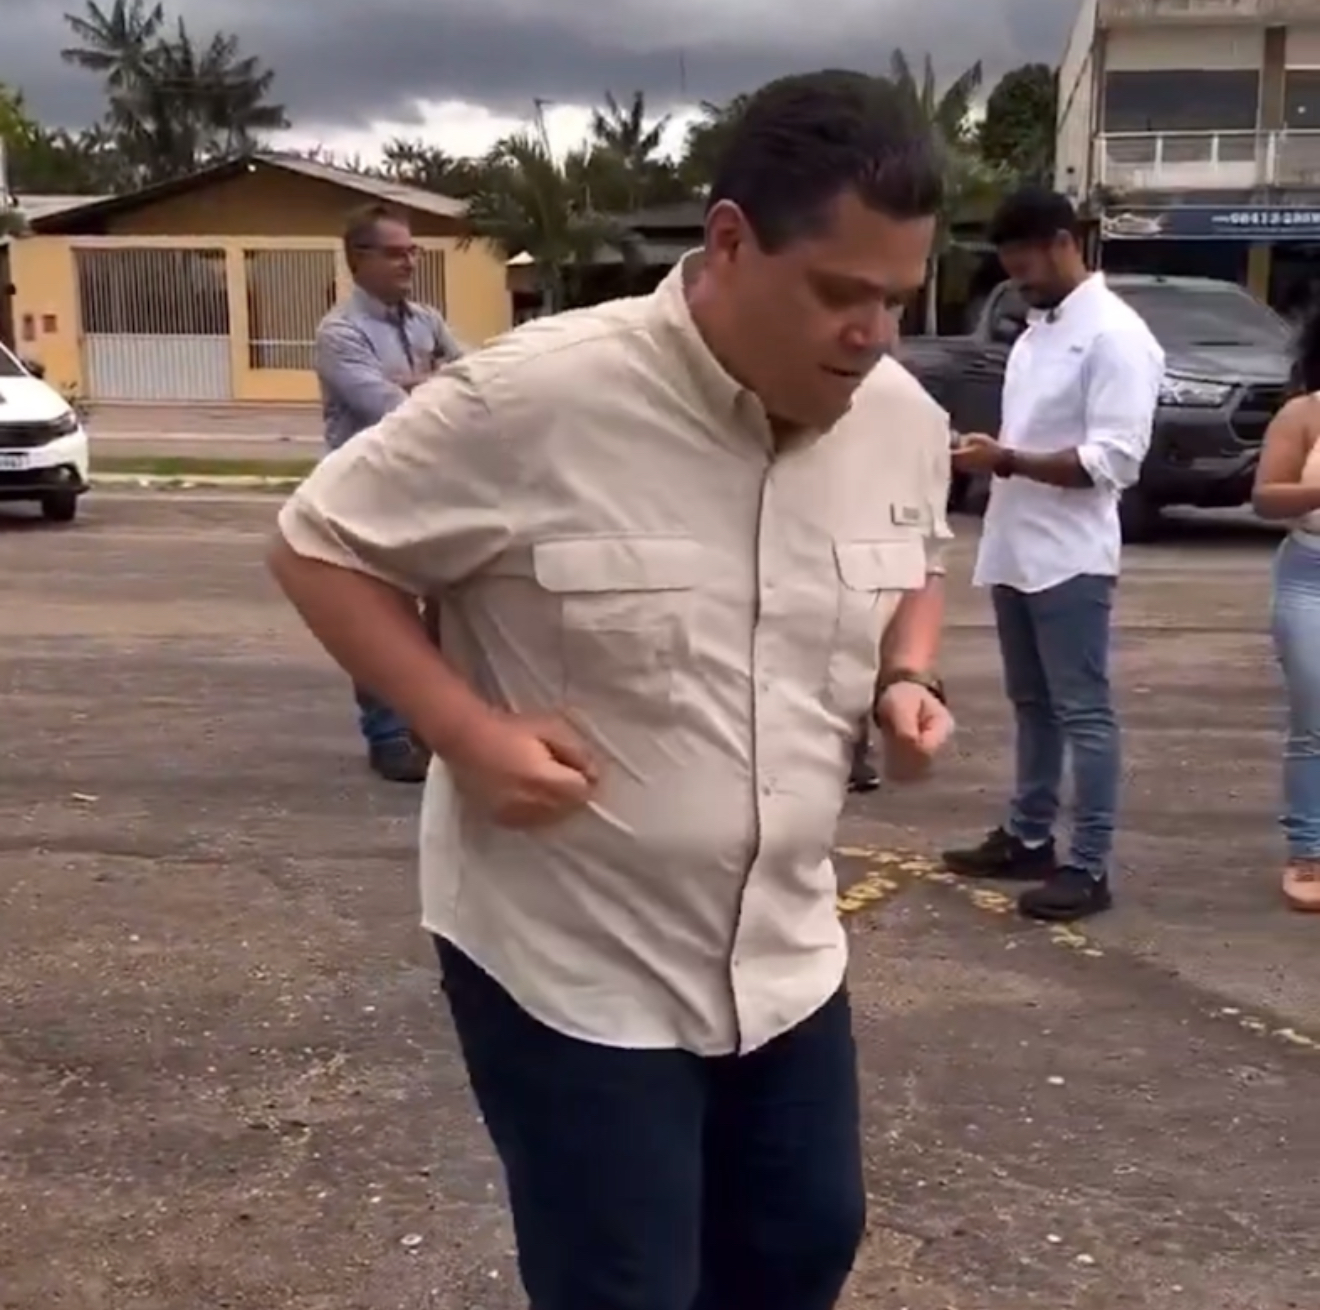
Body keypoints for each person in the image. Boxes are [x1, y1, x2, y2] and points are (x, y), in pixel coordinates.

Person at [269, 70, 955, 1310]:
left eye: (896, 301)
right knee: (627, 1281)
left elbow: (919, 560)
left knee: (802, 1245)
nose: (872, 335)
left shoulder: (897, 415)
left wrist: (908, 671)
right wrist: (464, 730)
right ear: (730, 241)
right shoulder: (535, 398)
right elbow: (318, 542)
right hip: (573, 960)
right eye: (839, 293)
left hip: (785, 949)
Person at [943, 187, 1163, 923]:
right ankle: (1029, 836)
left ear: (1065, 243)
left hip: (1071, 558)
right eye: (1009, 266)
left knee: (1083, 712)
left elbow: (1113, 462)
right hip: (1015, 547)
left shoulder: (1117, 337)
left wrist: (1005, 460)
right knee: (1031, 705)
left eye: (1026, 264)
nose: (1018, 281)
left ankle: (1088, 865)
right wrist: (991, 456)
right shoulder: (1038, 333)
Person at [315, 202, 464, 783]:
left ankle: (432, 724)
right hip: (367, 489)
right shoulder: (340, 333)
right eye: (396, 253)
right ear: (359, 258)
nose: (409, 262)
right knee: (381, 613)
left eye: (412, 251)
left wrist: (419, 381)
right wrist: (432, 382)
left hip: (428, 483)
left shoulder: (426, 320)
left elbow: (474, 380)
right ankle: (389, 735)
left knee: (449, 605)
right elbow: (388, 409)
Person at [1252, 307, 1320, 911]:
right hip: (1310, 573)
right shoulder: (1304, 414)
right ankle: (1309, 850)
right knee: (1314, 715)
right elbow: (1266, 497)